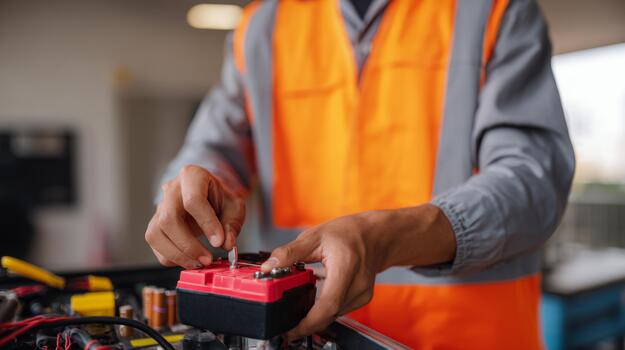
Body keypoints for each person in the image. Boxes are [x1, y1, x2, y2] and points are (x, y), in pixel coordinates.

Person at [144, 0, 574, 348]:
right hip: (307, 336)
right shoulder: (262, 26)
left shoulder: (493, 10)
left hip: (468, 337)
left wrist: (381, 238)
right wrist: (195, 193)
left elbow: (534, 180)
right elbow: (211, 151)